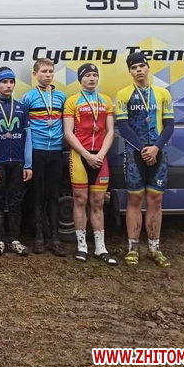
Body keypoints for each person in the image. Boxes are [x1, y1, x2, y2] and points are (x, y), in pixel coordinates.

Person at [116, 52, 174, 268]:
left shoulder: (163, 93)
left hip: (159, 152)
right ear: (129, 71)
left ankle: (154, 248)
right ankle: (133, 248)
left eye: (142, 66)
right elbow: (123, 126)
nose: (139, 70)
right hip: (135, 154)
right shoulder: (123, 94)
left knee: (156, 200)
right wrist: (143, 150)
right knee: (134, 199)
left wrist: (156, 148)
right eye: (134, 67)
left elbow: (169, 125)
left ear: (148, 67)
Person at [63, 63, 117, 265]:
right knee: (80, 200)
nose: (92, 78)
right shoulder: (72, 101)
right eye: (87, 75)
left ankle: (101, 247)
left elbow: (110, 131)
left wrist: (100, 154)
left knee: (98, 201)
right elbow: (68, 132)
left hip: (100, 157)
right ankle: (82, 246)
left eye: (95, 75)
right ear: (81, 79)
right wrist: (86, 155)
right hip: (80, 156)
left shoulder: (106, 100)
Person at [0, 67, 32, 256]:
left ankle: (15, 239)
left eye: (11, 82)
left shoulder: (21, 108)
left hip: (18, 163)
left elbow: (28, 137)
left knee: (16, 202)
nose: (8, 86)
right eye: (4, 82)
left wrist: (28, 164)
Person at [20, 58, 67, 256]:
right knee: (38, 195)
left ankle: (55, 238)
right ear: (35, 74)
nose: (47, 75)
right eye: (43, 71)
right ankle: (39, 237)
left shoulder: (61, 97)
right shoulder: (28, 97)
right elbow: (23, 127)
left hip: (56, 151)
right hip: (36, 151)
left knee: (53, 196)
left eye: (50, 71)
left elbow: (67, 124)